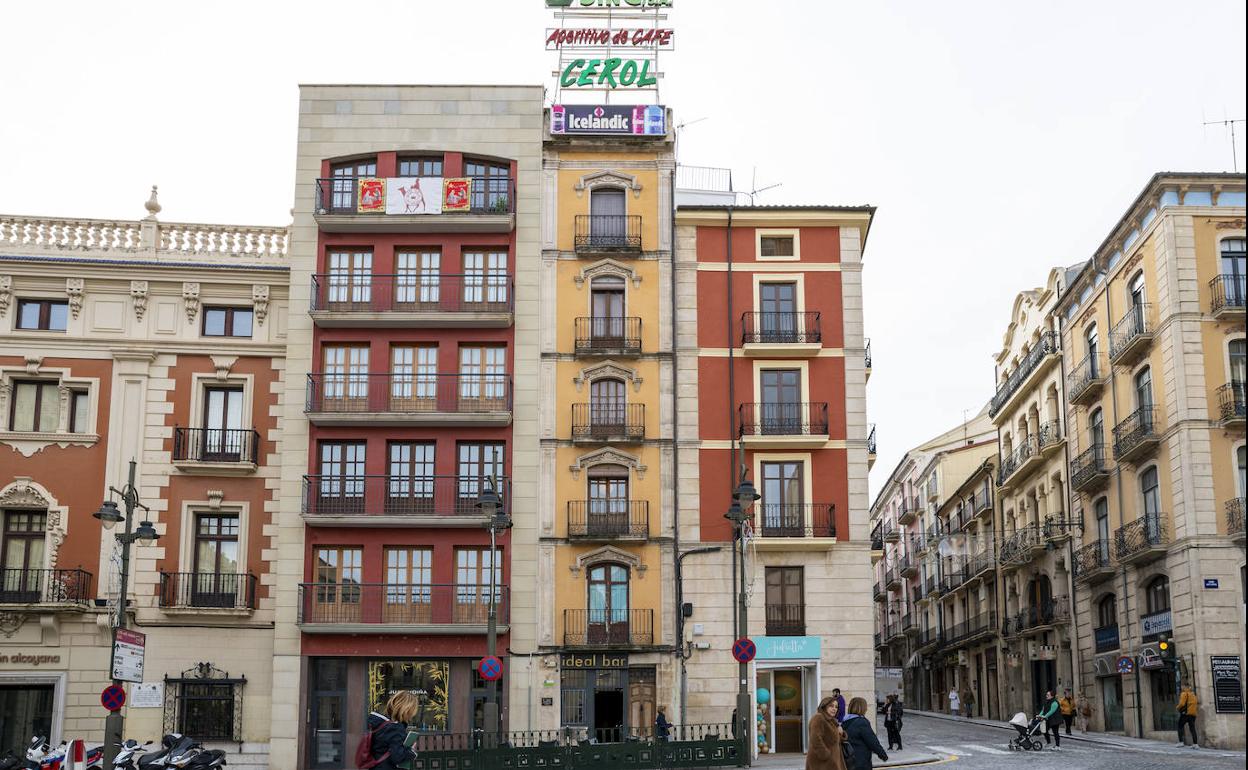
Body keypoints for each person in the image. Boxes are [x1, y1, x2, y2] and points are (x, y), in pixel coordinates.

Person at [363, 691, 420, 770]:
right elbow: (397, 757)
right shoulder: (395, 728)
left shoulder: (376, 721)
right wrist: (411, 751)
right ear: (407, 711)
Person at [842, 697, 888, 770]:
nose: (866, 709)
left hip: (847, 761)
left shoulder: (844, 722)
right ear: (862, 708)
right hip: (860, 762)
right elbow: (872, 741)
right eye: (865, 707)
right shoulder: (862, 722)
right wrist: (883, 755)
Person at [805, 696, 848, 770]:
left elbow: (834, 740)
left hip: (832, 762)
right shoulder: (818, 718)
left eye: (836, 707)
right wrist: (825, 755)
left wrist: (841, 733)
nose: (834, 709)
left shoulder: (832, 721)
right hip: (822, 763)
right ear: (824, 706)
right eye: (831, 706)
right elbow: (815, 738)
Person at [1176, 683, 1199, 748]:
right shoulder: (1193, 695)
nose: (1182, 688)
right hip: (1193, 714)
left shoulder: (1184, 694)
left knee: (1180, 726)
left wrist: (1177, 707)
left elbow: (1182, 704)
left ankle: (1181, 742)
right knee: (1192, 728)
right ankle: (1195, 744)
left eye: (1182, 686)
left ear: (1185, 687)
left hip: (1185, 713)